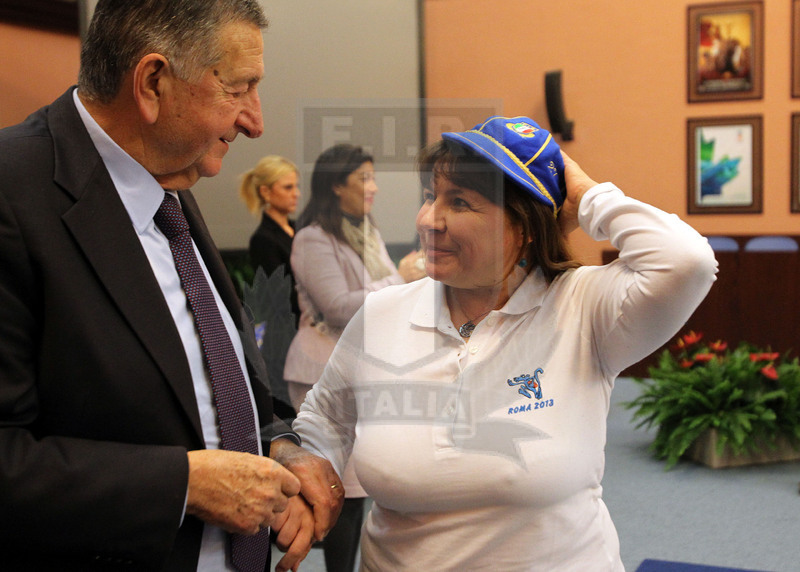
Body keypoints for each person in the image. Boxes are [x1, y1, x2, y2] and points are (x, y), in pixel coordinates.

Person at [0, 1, 342, 571]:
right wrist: (182, 485)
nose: (255, 121)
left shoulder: (169, 183)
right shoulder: (14, 194)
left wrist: (277, 447)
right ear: (153, 82)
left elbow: (211, 385)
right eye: (239, 89)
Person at [291, 116, 719, 571]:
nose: (428, 221)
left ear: (525, 226)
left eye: (459, 202)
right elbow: (326, 418)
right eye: (430, 197)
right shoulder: (382, 313)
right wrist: (313, 472)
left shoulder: (584, 307)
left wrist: (588, 195)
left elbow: (686, 262)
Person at [284, 143, 425, 572]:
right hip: (321, 367)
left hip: (365, 366)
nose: (374, 188)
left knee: (359, 488)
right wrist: (401, 278)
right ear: (335, 185)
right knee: (335, 490)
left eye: (373, 177)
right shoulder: (311, 238)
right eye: (363, 178)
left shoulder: (366, 229)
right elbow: (337, 306)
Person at [240, 154, 302, 321]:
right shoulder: (263, 240)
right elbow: (279, 298)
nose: (296, 193)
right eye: (288, 187)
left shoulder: (301, 228)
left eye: (297, 186)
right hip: (294, 330)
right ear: (266, 192)